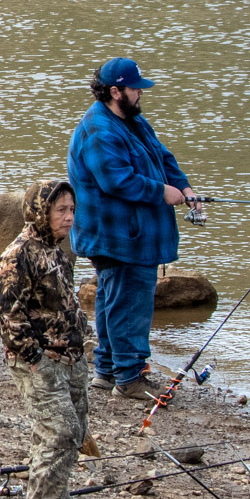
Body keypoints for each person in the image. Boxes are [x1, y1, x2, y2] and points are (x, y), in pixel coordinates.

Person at [68, 57, 197, 401]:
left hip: (133, 235)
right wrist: (162, 192)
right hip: (117, 237)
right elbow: (116, 181)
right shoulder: (99, 130)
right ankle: (130, 377)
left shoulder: (133, 120)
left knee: (113, 299)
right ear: (115, 92)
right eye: (135, 88)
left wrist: (183, 187)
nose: (140, 93)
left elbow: (163, 157)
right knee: (130, 303)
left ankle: (107, 371)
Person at [0, 180, 91, 499]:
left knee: (72, 431)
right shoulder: (18, 255)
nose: (68, 218)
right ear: (40, 212)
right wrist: (34, 357)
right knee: (60, 431)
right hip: (41, 361)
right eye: (60, 210)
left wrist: (82, 339)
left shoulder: (57, 252)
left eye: (71, 210)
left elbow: (65, 304)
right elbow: (8, 315)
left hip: (71, 358)